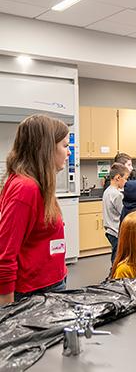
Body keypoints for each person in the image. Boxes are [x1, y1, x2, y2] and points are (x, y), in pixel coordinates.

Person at [0, 115, 70, 305]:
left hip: (50, 282)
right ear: (46, 148)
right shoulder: (25, 189)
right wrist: (7, 310)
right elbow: (6, 254)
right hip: (34, 293)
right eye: (65, 146)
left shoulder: (38, 184)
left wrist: (59, 268)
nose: (69, 152)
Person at [102, 163, 130, 263]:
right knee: (118, 260)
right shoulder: (116, 194)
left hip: (110, 230)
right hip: (116, 231)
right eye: (126, 178)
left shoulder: (108, 191)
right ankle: (114, 276)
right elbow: (124, 212)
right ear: (118, 177)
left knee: (116, 257)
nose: (126, 181)